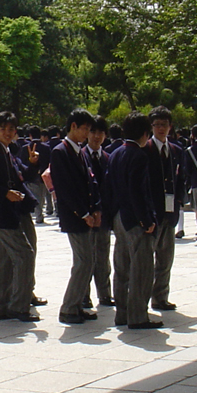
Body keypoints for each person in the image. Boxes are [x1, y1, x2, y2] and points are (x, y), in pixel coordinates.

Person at [0, 110, 38, 323]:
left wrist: (32, 163)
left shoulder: (8, 151)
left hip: (8, 212)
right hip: (0, 212)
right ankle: (19, 306)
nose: (7, 133)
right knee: (25, 255)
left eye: (11, 129)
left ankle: (0, 306)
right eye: (3, 129)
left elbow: (22, 177)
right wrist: (4, 193)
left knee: (2, 261)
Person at [109, 111, 162, 329]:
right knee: (141, 268)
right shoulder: (139, 155)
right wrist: (146, 219)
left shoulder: (115, 153)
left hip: (119, 215)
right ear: (144, 133)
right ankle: (138, 315)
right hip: (134, 218)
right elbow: (138, 192)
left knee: (121, 267)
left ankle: (122, 312)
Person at [51, 109, 101, 325]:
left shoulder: (79, 151)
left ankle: (77, 304)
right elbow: (65, 188)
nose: (87, 134)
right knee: (84, 261)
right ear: (73, 126)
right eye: (85, 129)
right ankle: (69, 308)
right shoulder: (60, 152)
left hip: (87, 214)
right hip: (75, 216)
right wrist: (83, 213)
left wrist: (96, 208)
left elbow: (91, 182)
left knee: (86, 261)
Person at [146, 106, 182, 313]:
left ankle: (161, 296)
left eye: (164, 124)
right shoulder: (146, 149)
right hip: (153, 212)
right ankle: (145, 294)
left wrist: (179, 202)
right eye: (157, 125)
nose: (161, 128)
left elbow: (181, 178)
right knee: (147, 257)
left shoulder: (176, 151)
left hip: (170, 212)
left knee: (166, 258)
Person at [86, 117, 114, 308]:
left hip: (104, 216)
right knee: (85, 257)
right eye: (93, 132)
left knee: (103, 256)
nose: (97, 136)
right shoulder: (79, 156)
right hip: (85, 217)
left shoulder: (108, 158)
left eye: (101, 133)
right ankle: (83, 295)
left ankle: (105, 294)